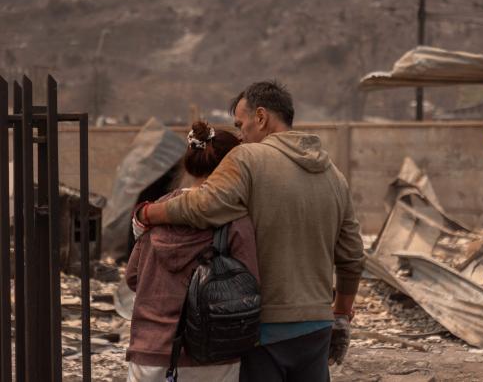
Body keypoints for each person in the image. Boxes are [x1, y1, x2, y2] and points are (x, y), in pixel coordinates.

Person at [136, 80, 365, 382]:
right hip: (317, 329)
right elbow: (352, 256)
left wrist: (148, 212)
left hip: (263, 331)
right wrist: (340, 314)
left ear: (261, 117)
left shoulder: (248, 159)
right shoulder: (334, 175)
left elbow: (204, 204)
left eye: (241, 125)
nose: (241, 136)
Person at [126, 121, 259, 382]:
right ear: (233, 167)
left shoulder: (156, 213)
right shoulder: (235, 219)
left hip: (150, 352)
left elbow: (133, 278)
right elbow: (251, 284)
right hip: (214, 356)